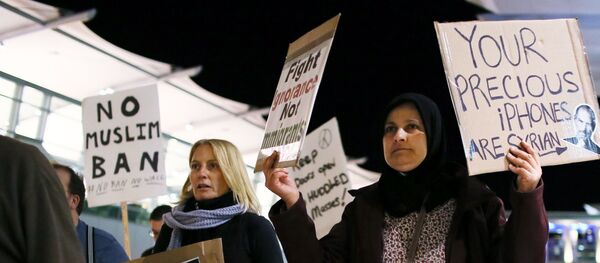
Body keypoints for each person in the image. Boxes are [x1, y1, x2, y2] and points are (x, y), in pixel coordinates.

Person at [264, 93, 548, 263]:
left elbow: (520, 258)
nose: (398, 135)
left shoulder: (474, 203)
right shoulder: (365, 209)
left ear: (434, 134)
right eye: (389, 129)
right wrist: (291, 201)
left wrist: (528, 193)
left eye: (412, 126)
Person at [153, 139, 284, 263]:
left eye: (213, 166)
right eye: (195, 166)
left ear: (231, 173)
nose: (202, 173)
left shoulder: (255, 227)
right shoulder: (172, 227)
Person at [0, 135, 84, 263]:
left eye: (57, 187)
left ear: (74, 201)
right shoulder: (24, 160)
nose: (52, 192)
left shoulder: (101, 242)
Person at [52, 163, 130, 263]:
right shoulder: (30, 243)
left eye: (52, 188)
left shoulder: (104, 247)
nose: (43, 194)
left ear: (74, 201)